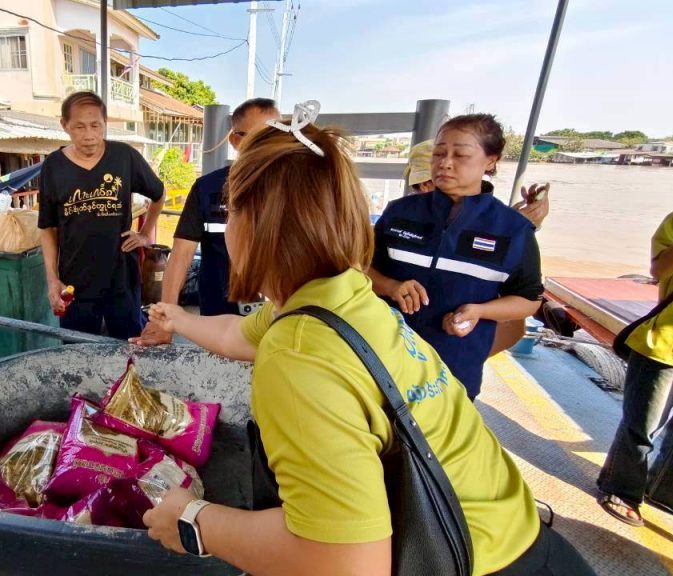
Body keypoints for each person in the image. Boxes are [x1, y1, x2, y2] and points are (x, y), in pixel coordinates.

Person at [142, 111, 593, 575]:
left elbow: (347, 565)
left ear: (252, 223)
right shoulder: (342, 296)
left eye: (231, 210)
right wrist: (178, 317)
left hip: (475, 563)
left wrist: (193, 521)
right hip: (527, 540)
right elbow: (239, 334)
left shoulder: (298, 354)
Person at [367, 115, 544, 400]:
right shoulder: (398, 212)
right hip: (379, 359)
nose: (445, 163)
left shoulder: (513, 229)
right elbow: (361, 268)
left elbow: (529, 299)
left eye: (460, 155)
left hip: (454, 369)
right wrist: (390, 286)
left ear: (491, 161)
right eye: (439, 153)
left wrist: (479, 311)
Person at [134, 98, 280, 346]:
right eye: (259, 138)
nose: (269, 146)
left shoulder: (296, 189)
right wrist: (164, 318)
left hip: (279, 312)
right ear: (235, 140)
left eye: (277, 136)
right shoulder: (207, 187)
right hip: (217, 313)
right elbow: (181, 255)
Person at [597, 201, 673, 528]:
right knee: (644, 422)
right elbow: (661, 271)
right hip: (670, 340)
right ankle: (621, 489)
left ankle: (669, 494)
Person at [402, 139, 551, 356]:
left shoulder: (506, 228)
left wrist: (517, 231)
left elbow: (524, 302)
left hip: (453, 349)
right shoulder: (402, 221)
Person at [39, 91, 165, 339]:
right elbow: (47, 228)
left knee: (130, 346)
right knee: (79, 350)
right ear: (64, 125)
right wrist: (52, 280)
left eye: (96, 125)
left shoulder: (124, 156)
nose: (89, 135)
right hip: (75, 281)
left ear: (105, 122)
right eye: (79, 127)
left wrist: (144, 234)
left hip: (121, 277)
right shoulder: (53, 166)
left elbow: (159, 195)